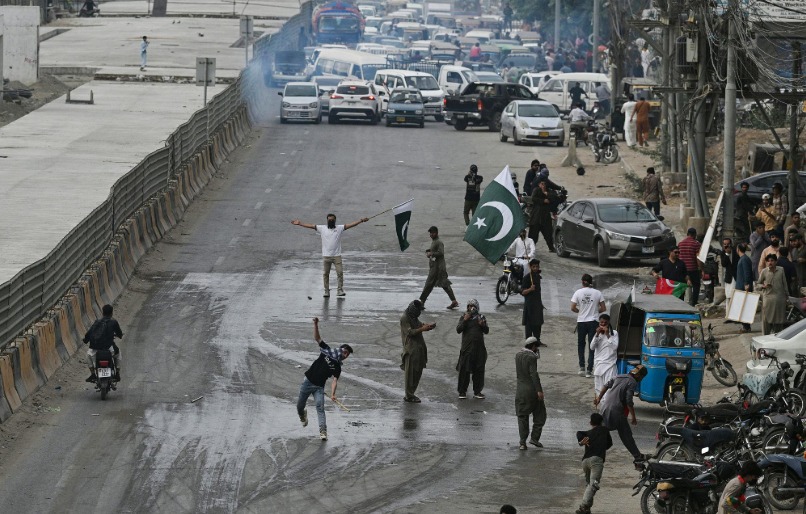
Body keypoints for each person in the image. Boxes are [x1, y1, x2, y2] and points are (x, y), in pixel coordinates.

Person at [297, 317, 353, 441]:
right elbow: (317, 338)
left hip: (319, 388)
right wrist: (316, 324)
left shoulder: (338, 367)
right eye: (345, 352)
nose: (345, 356)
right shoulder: (327, 350)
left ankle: (323, 431)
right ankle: (302, 415)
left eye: (347, 355)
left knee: (320, 408)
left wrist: (333, 394)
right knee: (299, 407)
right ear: (341, 350)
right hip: (307, 382)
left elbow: (334, 381)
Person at [291, 213, 369, 297]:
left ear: (335, 220)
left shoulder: (339, 228)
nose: (331, 221)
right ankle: (326, 291)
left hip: (337, 256)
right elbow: (311, 226)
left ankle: (340, 290)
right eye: (329, 220)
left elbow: (351, 225)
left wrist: (361, 221)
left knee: (340, 273)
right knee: (326, 274)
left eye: (332, 220)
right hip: (326, 256)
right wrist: (300, 223)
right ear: (327, 220)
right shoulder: (322, 228)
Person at [594, 365, 648, 463]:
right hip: (617, 411)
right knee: (626, 435)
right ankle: (637, 456)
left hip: (605, 408)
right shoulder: (632, 382)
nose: (641, 379)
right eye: (642, 377)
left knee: (602, 432)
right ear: (639, 375)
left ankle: (595, 453)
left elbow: (606, 385)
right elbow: (628, 400)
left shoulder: (619, 376)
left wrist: (599, 398)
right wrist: (633, 417)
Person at [575, 412, 613, 514]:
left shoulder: (588, 433)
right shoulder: (604, 430)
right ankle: (583, 506)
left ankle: (587, 509)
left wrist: (581, 441)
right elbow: (610, 443)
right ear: (601, 422)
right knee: (593, 484)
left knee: (589, 485)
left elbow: (579, 433)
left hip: (585, 461)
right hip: (596, 461)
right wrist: (601, 446)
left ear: (590, 423)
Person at [571, 274, 606, 378]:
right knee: (592, 345)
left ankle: (581, 367)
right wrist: (595, 311)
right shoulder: (598, 293)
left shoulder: (578, 292)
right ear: (591, 282)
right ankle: (589, 370)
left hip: (581, 322)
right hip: (593, 322)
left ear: (582, 281)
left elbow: (572, 307)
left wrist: (580, 311)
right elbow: (603, 308)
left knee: (581, 344)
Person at [400, 300, 436, 403]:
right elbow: (410, 332)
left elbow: (419, 324)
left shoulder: (413, 316)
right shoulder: (405, 318)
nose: (420, 312)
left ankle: (411, 393)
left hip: (418, 348)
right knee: (410, 373)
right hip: (410, 349)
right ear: (414, 310)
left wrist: (427, 326)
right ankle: (409, 395)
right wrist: (422, 329)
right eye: (418, 310)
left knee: (417, 371)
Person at [515, 336, 546, 450]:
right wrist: (539, 390)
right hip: (532, 391)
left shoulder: (518, 355)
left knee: (522, 416)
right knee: (540, 415)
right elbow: (534, 374)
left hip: (520, 391)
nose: (537, 349)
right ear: (533, 346)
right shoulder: (531, 357)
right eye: (536, 347)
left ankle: (522, 442)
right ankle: (534, 438)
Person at [419, 226, 459, 309]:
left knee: (430, 284)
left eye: (432, 233)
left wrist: (431, 254)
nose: (431, 234)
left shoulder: (439, 242)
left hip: (438, 268)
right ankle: (454, 301)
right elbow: (435, 251)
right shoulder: (434, 241)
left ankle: (422, 302)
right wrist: (430, 251)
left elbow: (441, 252)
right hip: (435, 267)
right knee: (442, 284)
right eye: (430, 233)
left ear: (436, 233)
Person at [456, 299, 489, 399]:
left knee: (479, 370)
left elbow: (486, 330)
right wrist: (465, 320)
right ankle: (462, 392)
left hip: (479, 349)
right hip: (467, 349)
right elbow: (458, 329)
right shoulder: (464, 317)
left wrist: (482, 325)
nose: (471, 308)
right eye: (469, 306)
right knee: (464, 371)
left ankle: (477, 391)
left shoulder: (481, 317)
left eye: (473, 306)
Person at [83, 304, 123, 382]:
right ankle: (117, 374)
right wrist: (120, 335)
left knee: (88, 356)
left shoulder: (97, 322)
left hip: (95, 348)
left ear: (103, 312)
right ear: (111, 313)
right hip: (108, 348)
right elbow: (119, 334)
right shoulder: (114, 322)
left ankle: (93, 374)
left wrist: (85, 340)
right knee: (118, 354)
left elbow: (89, 333)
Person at [590, 313, 618, 399]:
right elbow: (592, 347)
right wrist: (597, 335)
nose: (603, 324)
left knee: (610, 388)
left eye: (605, 323)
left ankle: (607, 405)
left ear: (608, 323)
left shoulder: (614, 333)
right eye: (601, 322)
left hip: (610, 365)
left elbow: (614, 347)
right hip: (599, 365)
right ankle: (602, 405)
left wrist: (607, 335)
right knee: (598, 389)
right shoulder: (597, 334)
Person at [758, 254, 788, 335]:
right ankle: (765, 338)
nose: (770, 262)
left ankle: (777, 339)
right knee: (766, 321)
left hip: (779, 300)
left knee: (779, 322)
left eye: (772, 261)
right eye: (768, 261)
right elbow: (757, 284)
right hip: (768, 300)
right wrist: (763, 286)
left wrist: (787, 296)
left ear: (776, 262)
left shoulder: (781, 270)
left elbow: (784, 284)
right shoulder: (764, 271)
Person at [521, 259, 546, 347]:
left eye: (537, 267)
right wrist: (530, 289)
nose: (535, 268)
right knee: (529, 324)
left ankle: (537, 340)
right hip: (529, 305)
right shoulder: (527, 277)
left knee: (538, 323)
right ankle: (529, 342)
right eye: (533, 267)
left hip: (537, 304)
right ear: (530, 267)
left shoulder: (538, 277)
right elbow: (523, 292)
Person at [678, 227, 703, 306]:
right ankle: (694, 303)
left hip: (682, 269)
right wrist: (701, 268)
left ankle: (681, 303)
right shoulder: (696, 244)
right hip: (693, 269)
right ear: (694, 235)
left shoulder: (680, 243)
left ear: (687, 234)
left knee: (682, 286)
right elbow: (698, 257)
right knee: (696, 285)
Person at [529, 180, 555, 252]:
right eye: (542, 184)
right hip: (536, 217)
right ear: (539, 184)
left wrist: (546, 194)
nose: (543, 185)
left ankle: (551, 247)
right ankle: (531, 248)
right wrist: (543, 200)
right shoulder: (536, 190)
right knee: (533, 235)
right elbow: (533, 198)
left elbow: (553, 199)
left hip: (545, 217)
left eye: (544, 184)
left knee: (548, 233)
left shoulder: (549, 191)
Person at [734, 242, 754, 333]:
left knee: (745, 308)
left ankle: (746, 327)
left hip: (743, 287)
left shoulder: (744, 259)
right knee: (742, 308)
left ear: (738, 249)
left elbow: (747, 273)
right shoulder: (743, 258)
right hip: (741, 286)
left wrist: (746, 284)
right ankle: (745, 326)